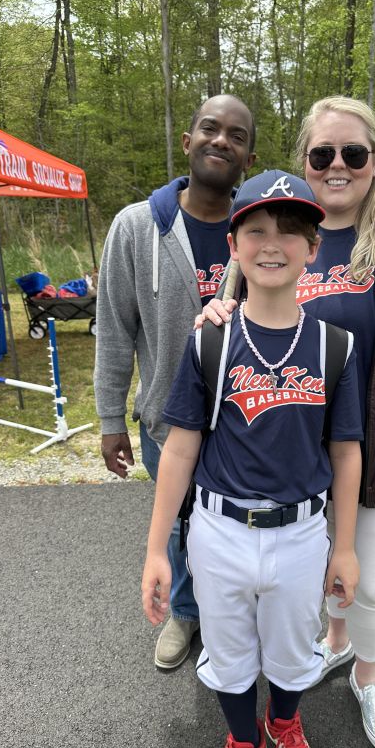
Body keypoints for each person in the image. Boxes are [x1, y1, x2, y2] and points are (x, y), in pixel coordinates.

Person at [200, 96, 375, 748]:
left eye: (354, 153)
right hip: (286, 460)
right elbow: (231, 323)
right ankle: (331, 644)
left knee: (370, 582)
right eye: (323, 154)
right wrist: (214, 314)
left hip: (373, 458)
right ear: (306, 163)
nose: (338, 165)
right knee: (308, 580)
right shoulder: (280, 234)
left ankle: (366, 675)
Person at [141, 170, 363, 748]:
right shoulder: (211, 339)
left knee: (294, 654)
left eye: (291, 231)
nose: (273, 243)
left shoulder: (334, 346)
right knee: (231, 656)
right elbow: (180, 446)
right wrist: (158, 549)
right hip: (219, 529)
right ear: (233, 246)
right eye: (256, 230)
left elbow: (347, 454)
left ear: (313, 248)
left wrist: (343, 546)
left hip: (300, 533)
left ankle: (286, 725)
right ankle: (245, 743)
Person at [94, 94, 256, 670]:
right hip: (168, 418)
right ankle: (186, 614)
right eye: (209, 129)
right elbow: (113, 329)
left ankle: (234, 620)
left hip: (247, 420)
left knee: (237, 532)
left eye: (236, 135)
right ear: (187, 142)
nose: (221, 141)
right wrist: (111, 418)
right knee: (181, 524)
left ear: (248, 156)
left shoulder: (258, 229)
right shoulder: (137, 227)